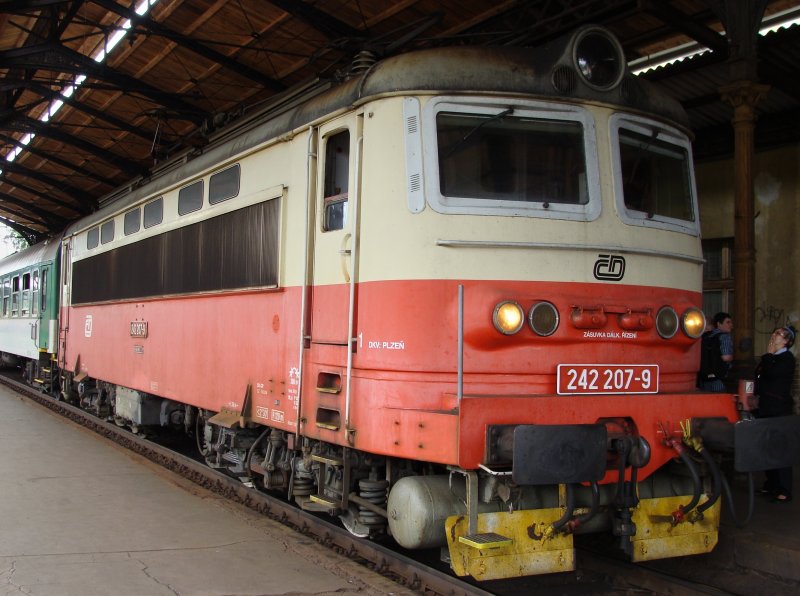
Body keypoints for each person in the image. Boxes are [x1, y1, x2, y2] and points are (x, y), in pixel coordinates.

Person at [755, 324, 797, 503]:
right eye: (775, 332)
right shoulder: (770, 358)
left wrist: (769, 355)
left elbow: (771, 374)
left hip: (778, 409)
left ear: (787, 341)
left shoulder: (787, 359)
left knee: (780, 449)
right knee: (766, 448)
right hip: (765, 407)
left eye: (779, 334)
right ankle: (771, 483)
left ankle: (784, 489)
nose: (774, 335)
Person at [697, 312, 734, 391]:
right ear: (719, 324)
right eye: (728, 322)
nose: (731, 325)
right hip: (719, 379)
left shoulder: (705, 336)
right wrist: (733, 357)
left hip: (704, 378)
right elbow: (726, 357)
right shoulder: (724, 337)